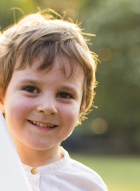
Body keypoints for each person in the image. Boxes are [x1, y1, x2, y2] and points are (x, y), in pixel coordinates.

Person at [0, 11, 107, 191]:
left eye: (64, 95)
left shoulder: (88, 186)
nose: (48, 107)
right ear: (2, 94)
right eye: (31, 89)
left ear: (82, 106)